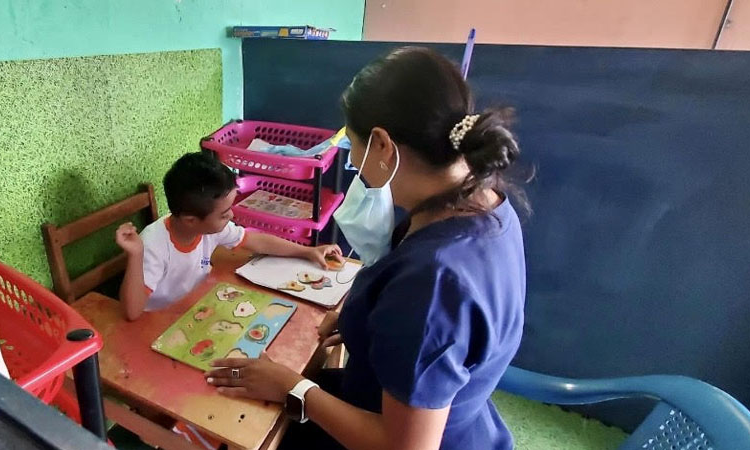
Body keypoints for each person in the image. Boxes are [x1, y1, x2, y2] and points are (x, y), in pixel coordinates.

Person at [204, 46, 529, 450]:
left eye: (352, 146)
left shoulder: (433, 280)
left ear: (381, 145)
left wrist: (293, 388)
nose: (353, 161)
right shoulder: (487, 205)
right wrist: (369, 324)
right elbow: (444, 342)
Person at [115, 151, 341, 321]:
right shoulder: (153, 245)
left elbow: (256, 240)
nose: (231, 215)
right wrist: (136, 255)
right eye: (224, 214)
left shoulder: (208, 227)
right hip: (158, 320)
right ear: (191, 220)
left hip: (196, 306)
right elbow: (132, 313)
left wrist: (308, 251)